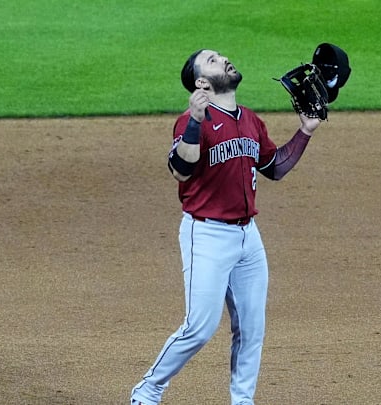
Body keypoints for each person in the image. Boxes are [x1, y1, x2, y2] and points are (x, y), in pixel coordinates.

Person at [130, 49, 321, 405]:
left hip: (249, 237)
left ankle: (242, 400)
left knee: (251, 329)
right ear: (202, 82)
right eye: (214, 60)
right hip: (207, 234)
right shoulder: (193, 119)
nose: (225, 59)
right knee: (199, 328)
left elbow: (274, 167)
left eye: (222, 56)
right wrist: (194, 122)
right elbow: (180, 170)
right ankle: (148, 390)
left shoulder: (250, 119)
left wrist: (305, 131)